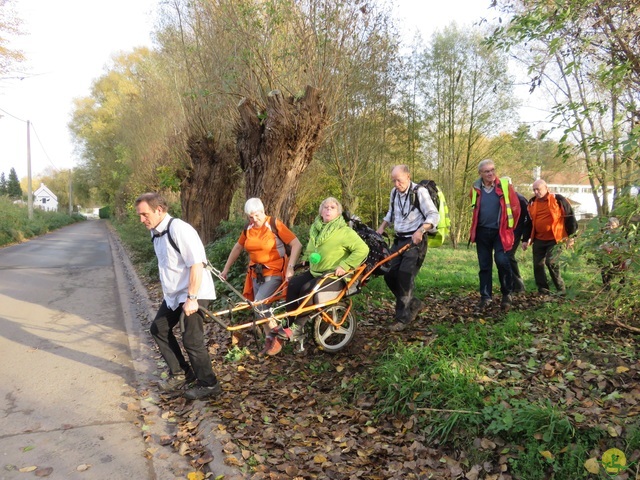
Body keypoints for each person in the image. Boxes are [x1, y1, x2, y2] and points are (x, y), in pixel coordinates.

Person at [135, 192, 221, 401]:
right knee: (159, 329)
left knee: (192, 339)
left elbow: (196, 264)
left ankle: (209, 384)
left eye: (145, 214)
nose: (141, 220)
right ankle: (182, 373)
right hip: (176, 295)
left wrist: (192, 298)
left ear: (160, 210)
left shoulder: (180, 230)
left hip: (194, 292)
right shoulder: (155, 232)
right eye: (139, 215)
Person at [266, 197, 369, 355]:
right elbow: (310, 249)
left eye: (332, 207)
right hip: (316, 272)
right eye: (325, 207)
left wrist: (345, 266)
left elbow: (363, 249)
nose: (328, 210)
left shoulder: (345, 231)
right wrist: (306, 259)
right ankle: (289, 322)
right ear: (321, 211)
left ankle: (298, 326)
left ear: (338, 212)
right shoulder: (316, 228)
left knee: (308, 289)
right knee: (293, 284)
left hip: (335, 276)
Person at [220, 198, 302, 351]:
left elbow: (296, 244)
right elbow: (238, 248)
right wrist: (225, 269)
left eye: (257, 215)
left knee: (260, 306)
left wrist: (291, 267)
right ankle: (270, 340)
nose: (254, 219)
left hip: (275, 271)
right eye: (250, 216)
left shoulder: (274, 224)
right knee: (259, 309)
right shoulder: (248, 228)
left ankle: (278, 335)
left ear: (263, 211)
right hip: (256, 274)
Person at [376, 165, 439, 331]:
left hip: (415, 240)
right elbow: (391, 213)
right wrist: (382, 227)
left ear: (408, 176)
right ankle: (413, 303)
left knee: (405, 276)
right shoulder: (394, 192)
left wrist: (421, 230)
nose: (396, 184)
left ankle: (403, 319)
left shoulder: (420, 192)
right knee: (388, 273)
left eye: (399, 180)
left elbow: (433, 215)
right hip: (399, 240)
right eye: (394, 180)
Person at [469, 159, 521, 310]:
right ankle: (486, 297)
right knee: (484, 266)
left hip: (501, 232)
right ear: (480, 174)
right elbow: (475, 210)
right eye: (487, 171)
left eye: (492, 170)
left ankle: (507, 294)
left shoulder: (505, 186)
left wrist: (510, 228)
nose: (491, 173)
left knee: (502, 261)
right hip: (482, 232)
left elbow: (516, 208)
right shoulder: (475, 189)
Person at [521, 179, 577, 295]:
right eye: (534, 190)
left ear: (546, 188)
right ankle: (543, 290)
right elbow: (528, 223)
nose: (536, 192)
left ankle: (560, 289)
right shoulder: (532, 202)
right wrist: (525, 240)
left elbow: (570, 217)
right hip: (539, 239)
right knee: (538, 264)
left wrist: (572, 236)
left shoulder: (558, 200)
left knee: (551, 262)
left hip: (556, 239)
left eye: (538, 189)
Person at [501, 178, 530, 294]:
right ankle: (510, 285)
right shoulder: (501, 199)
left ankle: (518, 286)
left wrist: (525, 238)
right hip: (504, 233)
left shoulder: (521, 199)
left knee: (508, 256)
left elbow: (528, 220)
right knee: (503, 258)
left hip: (516, 232)